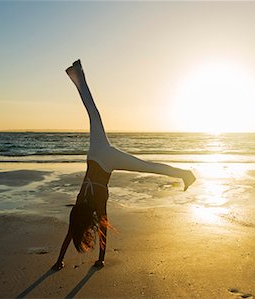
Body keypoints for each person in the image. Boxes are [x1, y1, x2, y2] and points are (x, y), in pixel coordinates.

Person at [52, 60, 196, 270]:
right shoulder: (80, 201)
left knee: (147, 166)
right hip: (95, 153)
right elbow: (74, 229)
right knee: (93, 113)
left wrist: (96, 259)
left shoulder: (94, 202)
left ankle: (185, 174)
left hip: (108, 160)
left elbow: (100, 228)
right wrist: (59, 260)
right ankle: (77, 74)